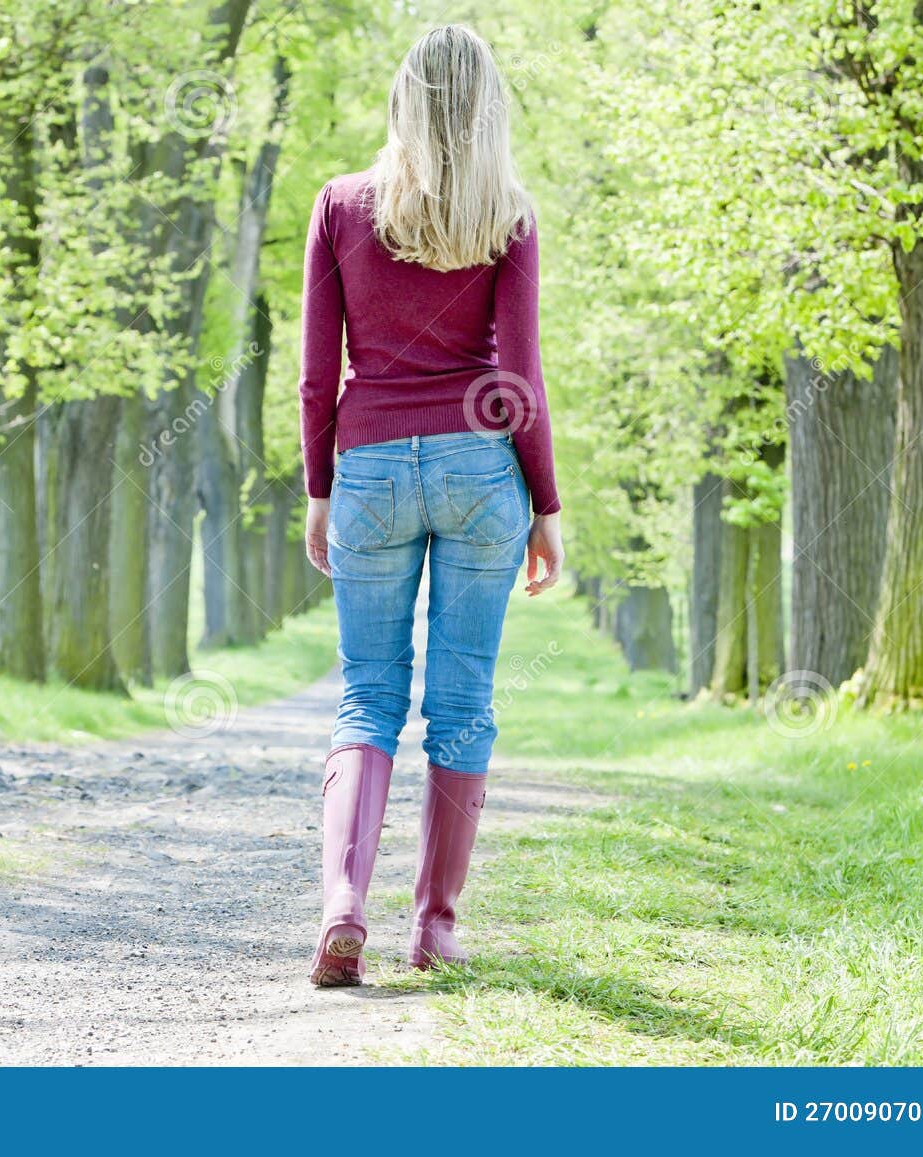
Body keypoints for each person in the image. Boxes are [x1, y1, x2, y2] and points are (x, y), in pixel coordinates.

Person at [297, 24, 565, 987]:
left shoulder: (340, 207)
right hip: (477, 472)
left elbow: (317, 375)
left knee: (368, 693)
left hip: (367, 462)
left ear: (402, 99)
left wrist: (320, 490)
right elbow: (519, 375)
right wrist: (544, 501)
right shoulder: (509, 214)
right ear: (488, 108)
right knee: (463, 706)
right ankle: (435, 927)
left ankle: (342, 902)